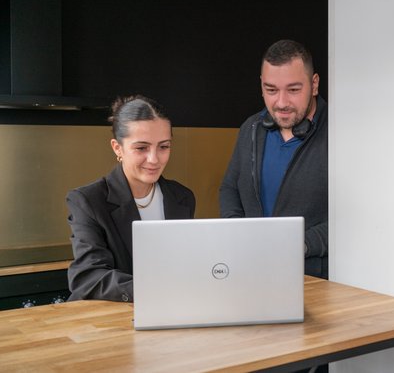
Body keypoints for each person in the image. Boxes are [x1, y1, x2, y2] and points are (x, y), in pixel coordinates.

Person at [66, 95, 196, 302]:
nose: (154, 159)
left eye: (163, 146)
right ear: (117, 148)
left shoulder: (182, 197)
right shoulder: (87, 201)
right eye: (141, 148)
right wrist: (154, 291)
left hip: (167, 310)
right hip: (111, 317)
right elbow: (88, 278)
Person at [219, 39, 328, 279]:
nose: (281, 102)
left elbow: (355, 218)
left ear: (314, 84)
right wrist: (236, 231)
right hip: (252, 272)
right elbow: (229, 188)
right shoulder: (250, 128)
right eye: (271, 90)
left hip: (314, 279)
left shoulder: (340, 134)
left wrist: (302, 244)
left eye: (293, 90)